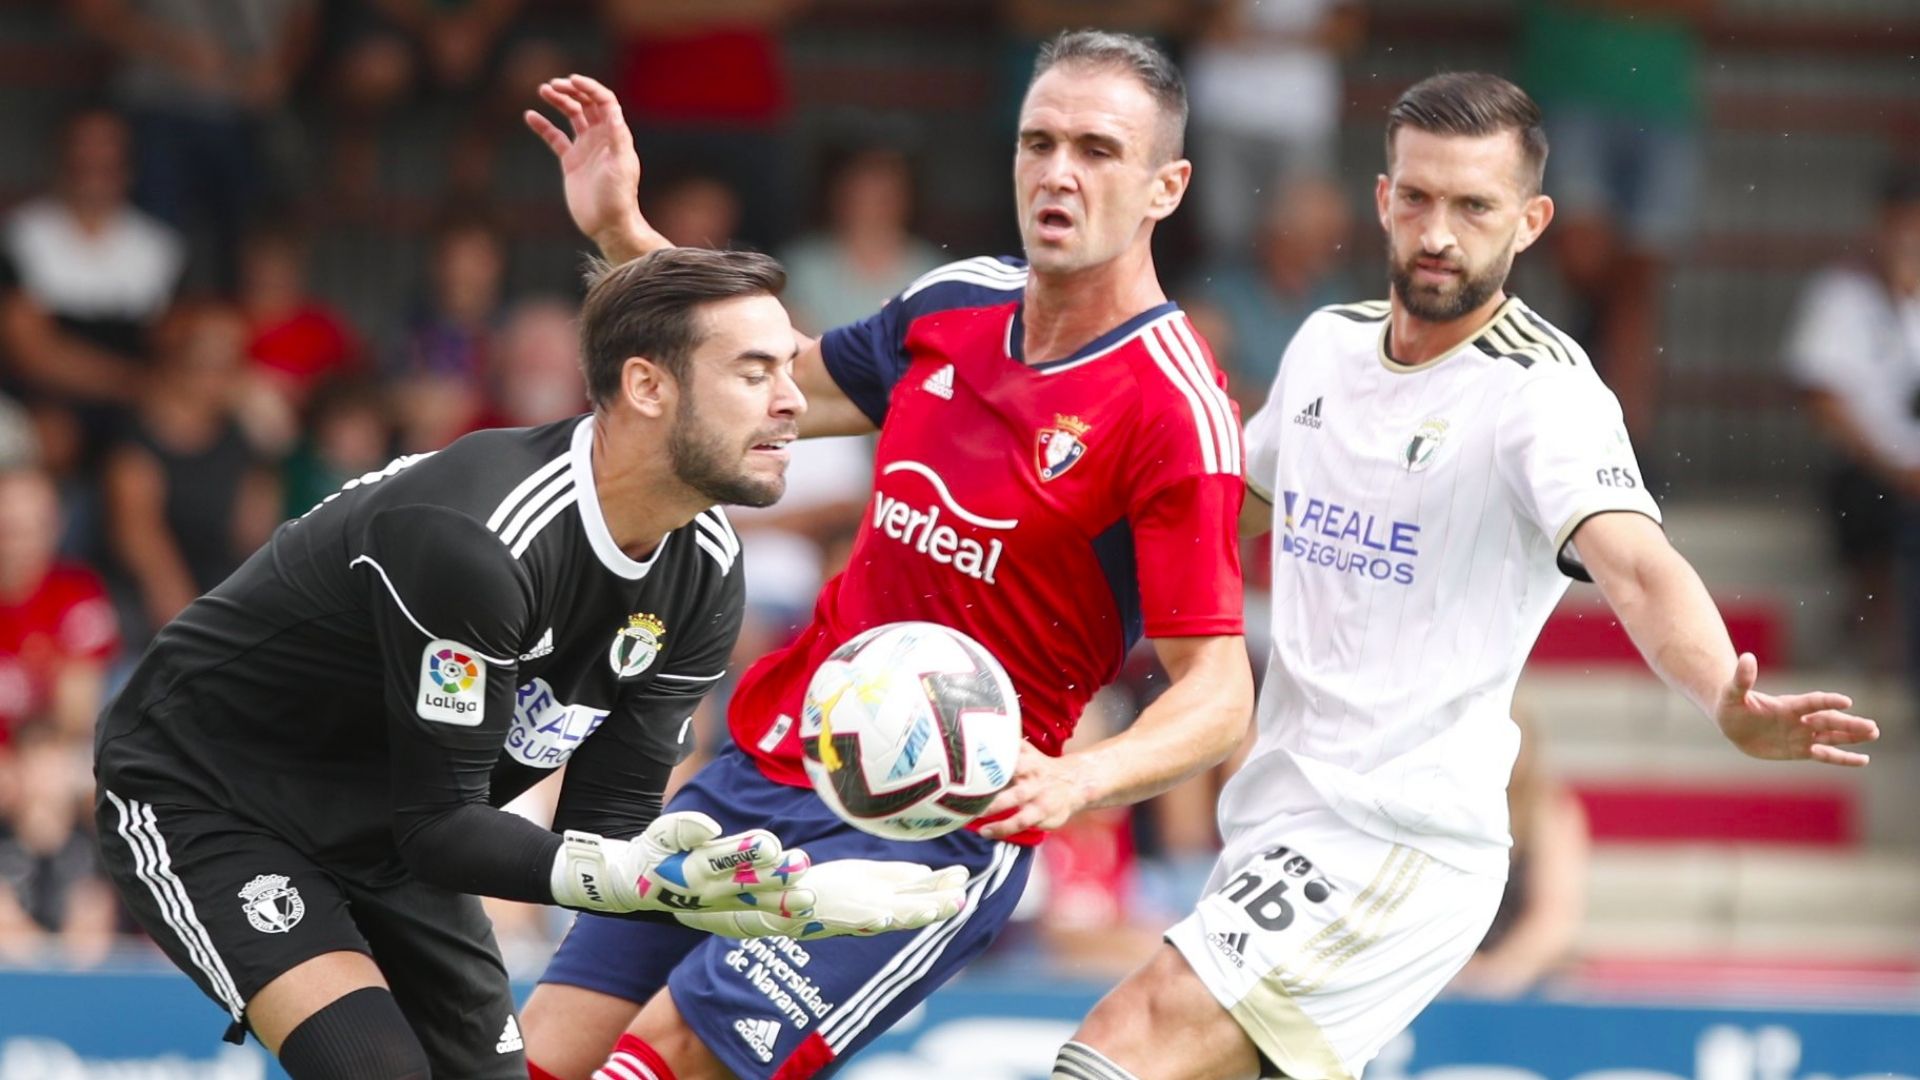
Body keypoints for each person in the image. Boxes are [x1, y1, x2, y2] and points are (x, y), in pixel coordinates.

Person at [1053, 72, 1880, 1080]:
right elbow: (1227, 515)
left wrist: (1722, 696)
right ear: (1382, 198)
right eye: (1419, 198)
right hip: (1275, 817)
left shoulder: (1546, 395)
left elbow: (1637, 566)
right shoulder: (1325, 348)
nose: (1438, 232)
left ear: (1530, 221)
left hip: (1401, 837)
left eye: (1474, 206)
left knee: (1120, 1046)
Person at [520, 29, 1253, 1080]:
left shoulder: (1172, 408)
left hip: (927, 830)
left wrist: (1081, 780)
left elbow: (1219, 692)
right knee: (536, 1055)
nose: (1057, 173)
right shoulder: (954, 304)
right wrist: (627, 232)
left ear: (1164, 187)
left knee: (668, 1056)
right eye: (1037, 142)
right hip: (769, 758)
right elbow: (769, 382)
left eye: (1096, 150)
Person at [91, 248, 967, 1080]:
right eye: (755, 373)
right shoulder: (478, 541)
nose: (791, 401)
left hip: (395, 828)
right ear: (647, 386)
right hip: (210, 793)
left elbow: (603, 820)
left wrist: (758, 893)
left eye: (790, 368)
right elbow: (446, 823)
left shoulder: (705, 569)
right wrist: (639, 878)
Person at [1783, 164, 1920, 681]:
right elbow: (1822, 396)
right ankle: (1877, 629)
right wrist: (1894, 467)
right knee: (1867, 501)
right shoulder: (1841, 293)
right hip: (1876, 468)